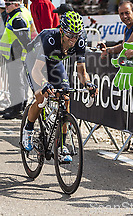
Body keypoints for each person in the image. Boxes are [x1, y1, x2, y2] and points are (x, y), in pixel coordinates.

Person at [22, 11, 98, 162]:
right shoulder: (50, 38)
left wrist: (88, 83)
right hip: (34, 63)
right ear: (62, 31)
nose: (73, 40)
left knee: (65, 97)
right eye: (70, 35)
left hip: (54, 63)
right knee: (41, 97)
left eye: (76, 35)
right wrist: (44, 84)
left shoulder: (80, 41)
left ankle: (62, 145)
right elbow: (37, 70)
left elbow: (82, 71)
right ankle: (28, 129)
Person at [0, 0, 34, 119]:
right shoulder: (13, 16)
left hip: (17, 56)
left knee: (17, 83)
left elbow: (25, 41)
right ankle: (14, 106)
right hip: (12, 55)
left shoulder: (18, 19)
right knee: (13, 83)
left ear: (16, 4)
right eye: (5, 4)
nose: (5, 6)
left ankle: (17, 110)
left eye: (8, 4)